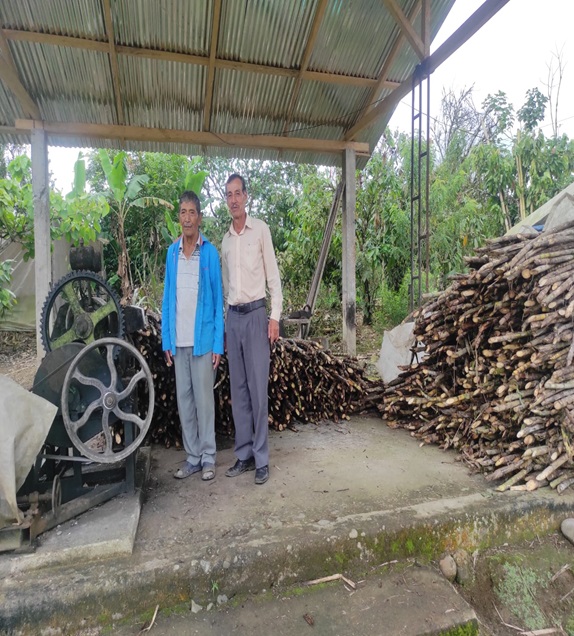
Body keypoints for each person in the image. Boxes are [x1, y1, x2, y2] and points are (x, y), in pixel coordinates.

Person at [221, 173, 283, 485]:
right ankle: (244, 454)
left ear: (246, 196)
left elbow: (273, 276)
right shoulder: (225, 241)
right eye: (229, 195)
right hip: (233, 319)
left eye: (237, 194)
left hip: (257, 316)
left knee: (259, 390)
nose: (233, 200)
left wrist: (275, 316)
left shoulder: (260, 230)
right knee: (239, 390)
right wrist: (225, 324)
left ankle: (261, 459)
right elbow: (226, 286)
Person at [162, 190, 224, 481]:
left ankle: (208, 457)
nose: (187, 218)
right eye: (183, 212)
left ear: (199, 218)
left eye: (192, 213)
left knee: (204, 403)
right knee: (184, 402)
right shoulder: (172, 254)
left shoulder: (209, 253)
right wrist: (167, 339)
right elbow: (167, 299)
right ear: (179, 217)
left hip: (203, 341)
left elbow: (218, 300)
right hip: (179, 341)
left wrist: (217, 344)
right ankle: (193, 458)